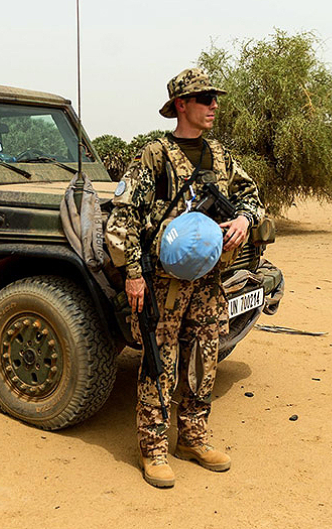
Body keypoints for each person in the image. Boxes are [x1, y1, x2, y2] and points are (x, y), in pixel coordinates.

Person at [105, 68, 265, 488]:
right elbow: (124, 217)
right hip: (164, 281)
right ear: (181, 104)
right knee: (160, 361)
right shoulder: (154, 155)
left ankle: (192, 438)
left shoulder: (219, 154)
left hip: (210, 280)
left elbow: (253, 197)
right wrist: (134, 275)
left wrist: (245, 220)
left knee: (204, 356)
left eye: (214, 99)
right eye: (205, 99)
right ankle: (153, 446)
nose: (214, 106)